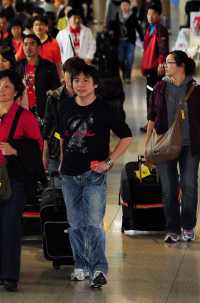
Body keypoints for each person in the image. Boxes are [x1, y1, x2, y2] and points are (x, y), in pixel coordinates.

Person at [58, 64, 132, 288]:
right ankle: (80, 265)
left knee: (94, 224)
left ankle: (99, 268)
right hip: (69, 175)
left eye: (85, 80)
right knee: (75, 224)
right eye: (76, 80)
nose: (80, 85)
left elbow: (126, 136)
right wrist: (61, 162)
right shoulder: (64, 107)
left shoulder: (105, 109)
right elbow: (63, 136)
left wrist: (109, 161)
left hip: (93, 175)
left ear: (95, 84)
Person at [0, 69, 44, 292]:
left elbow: (38, 145)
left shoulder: (25, 117)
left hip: (15, 179)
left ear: (16, 92)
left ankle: (11, 275)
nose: (1, 90)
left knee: (11, 227)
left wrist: (16, 150)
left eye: (7, 86)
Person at [145, 51, 200, 243]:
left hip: (189, 146)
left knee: (189, 186)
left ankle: (187, 226)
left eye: (168, 62)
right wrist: (147, 147)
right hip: (164, 146)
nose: (164, 65)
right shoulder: (159, 89)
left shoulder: (197, 91)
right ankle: (172, 229)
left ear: (181, 66)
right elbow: (151, 120)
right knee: (169, 189)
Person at [42, 57, 86, 176]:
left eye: (77, 73)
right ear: (63, 73)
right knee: (57, 192)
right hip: (56, 151)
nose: (72, 77)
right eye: (70, 73)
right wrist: (45, 153)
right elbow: (47, 126)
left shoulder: (89, 97)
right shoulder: (54, 97)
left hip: (82, 153)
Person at [17, 34, 62, 134]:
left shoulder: (48, 66)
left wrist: (51, 92)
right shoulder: (18, 66)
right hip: (22, 111)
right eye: (25, 44)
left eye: (32, 44)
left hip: (42, 111)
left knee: (42, 142)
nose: (28, 47)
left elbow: (57, 86)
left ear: (39, 47)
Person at [140, 4, 169, 132]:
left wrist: (161, 64)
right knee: (151, 96)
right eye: (149, 13)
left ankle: (155, 123)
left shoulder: (160, 29)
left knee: (155, 96)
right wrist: (143, 67)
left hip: (156, 68)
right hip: (149, 68)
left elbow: (163, 48)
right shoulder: (149, 29)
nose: (150, 16)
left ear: (159, 15)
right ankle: (151, 122)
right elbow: (147, 51)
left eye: (153, 13)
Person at [112, 0, 144, 84]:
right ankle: (125, 70)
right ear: (120, 6)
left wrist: (142, 39)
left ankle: (127, 76)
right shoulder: (118, 15)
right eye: (123, 5)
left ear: (129, 6)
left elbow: (138, 27)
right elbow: (115, 26)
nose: (125, 7)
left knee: (130, 59)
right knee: (121, 59)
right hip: (120, 41)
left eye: (126, 5)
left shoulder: (132, 15)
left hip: (130, 41)